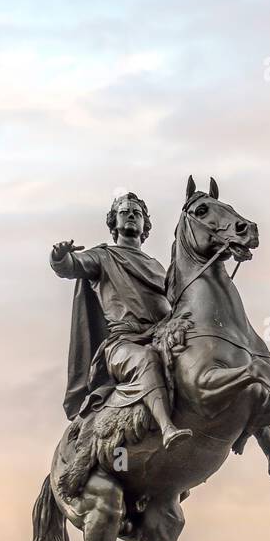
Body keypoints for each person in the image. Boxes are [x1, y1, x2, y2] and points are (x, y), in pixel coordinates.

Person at [51, 191, 191, 449]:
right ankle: (167, 428)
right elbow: (71, 266)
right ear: (113, 222)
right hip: (123, 345)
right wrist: (61, 257)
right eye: (124, 212)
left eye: (136, 213)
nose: (131, 216)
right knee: (146, 360)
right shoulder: (103, 257)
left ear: (144, 225)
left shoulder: (159, 267)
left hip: (160, 337)